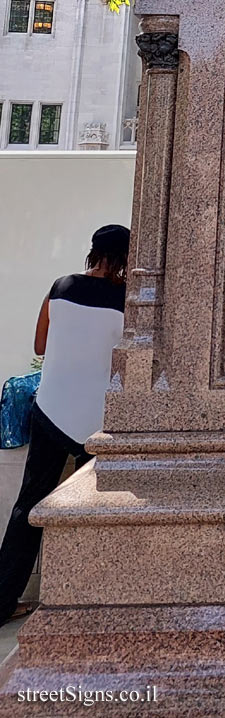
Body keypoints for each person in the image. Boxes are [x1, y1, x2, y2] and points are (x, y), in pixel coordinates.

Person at [0, 223, 130, 627]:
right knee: (96, 508)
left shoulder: (60, 286)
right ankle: (87, 597)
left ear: (93, 252)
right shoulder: (128, 300)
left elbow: (40, 346)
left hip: (51, 410)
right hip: (97, 421)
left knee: (28, 506)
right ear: (126, 258)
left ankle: (2, 602)